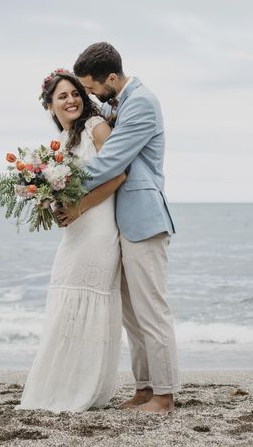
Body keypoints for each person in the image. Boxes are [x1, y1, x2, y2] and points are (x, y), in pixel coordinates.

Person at [58, 42, 180, 413]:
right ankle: (145, 388)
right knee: (131, 313)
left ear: (112, 77)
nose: (90, 93)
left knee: (151, 311)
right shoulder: (120, 103)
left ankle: (164, 395)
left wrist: (63, 184)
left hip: (143, 219)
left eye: (91, 87)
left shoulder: (141, 102)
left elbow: (111, 161)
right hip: (121, 222)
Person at [16, 70, 126, 412]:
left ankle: (84, 389)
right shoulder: (59, 145)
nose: (71, 100)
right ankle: (60, 385)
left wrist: (81, 207)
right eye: (62, 96)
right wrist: (49, 203)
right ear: (50, 107)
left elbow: (120, 173)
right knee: (65, 301)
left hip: (98, 228)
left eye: (75, 93)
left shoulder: (96, 128)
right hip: (75, 232)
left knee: (89, 301)